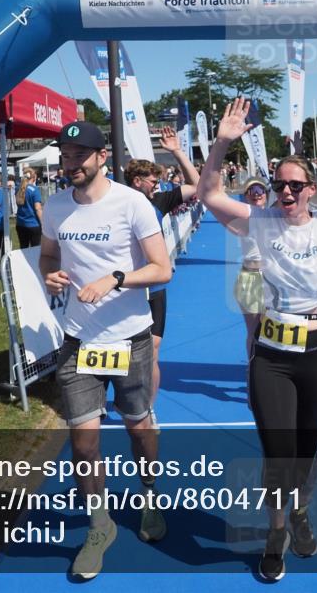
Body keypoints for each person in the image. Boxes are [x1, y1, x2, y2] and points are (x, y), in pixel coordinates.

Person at [197, 87, 317, 581]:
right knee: (278, 452)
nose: (285, 193)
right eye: (279, 185)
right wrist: (220, 145)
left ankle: (302, 509)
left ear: (312, 189)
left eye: (294, 186)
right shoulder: (259, 222)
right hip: (273, 355)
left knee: (307, 451)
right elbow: (209, 195)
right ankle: (276, 531)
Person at [39, 121, 172, 580]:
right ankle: (99, 526)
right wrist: (50, 273)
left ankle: (150, 495)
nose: (70, 163)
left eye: (79, 155)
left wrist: (115, 278)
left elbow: (162, 269)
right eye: (66, 155)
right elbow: (49, 257)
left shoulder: (132, 203)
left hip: (130, 338)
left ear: (100, 158)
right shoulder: (55, 206)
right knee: (83, 439)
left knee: (139, 428)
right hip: (79, 341)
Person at [125, 126, 200, 429]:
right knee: (126, 353)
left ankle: (147, 408)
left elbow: (199, 186)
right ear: (137, 181)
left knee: (153, 351)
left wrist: (177, 152)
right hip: (128, 289)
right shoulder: (118, 202)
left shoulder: (160, 202)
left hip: (155, 288)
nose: (158, 184)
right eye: (153, 180)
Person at [234, 177, 268, 356]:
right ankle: (253, 371)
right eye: (251, 191)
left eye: (260, 190)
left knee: (274, 332)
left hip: (275, 280)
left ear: (266, 194)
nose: (256, 194)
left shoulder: (278, 215)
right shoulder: (242, 218)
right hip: (251, 278)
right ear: (246, 196)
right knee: (255, 331)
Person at [15, 168, 44, 249]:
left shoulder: (18, 189)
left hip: (20, 224)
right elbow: (38, 208)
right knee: (35, 250)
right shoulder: (34, 190)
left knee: (23, 249)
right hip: (33, 224)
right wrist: (43, 223)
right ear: (34, 177)